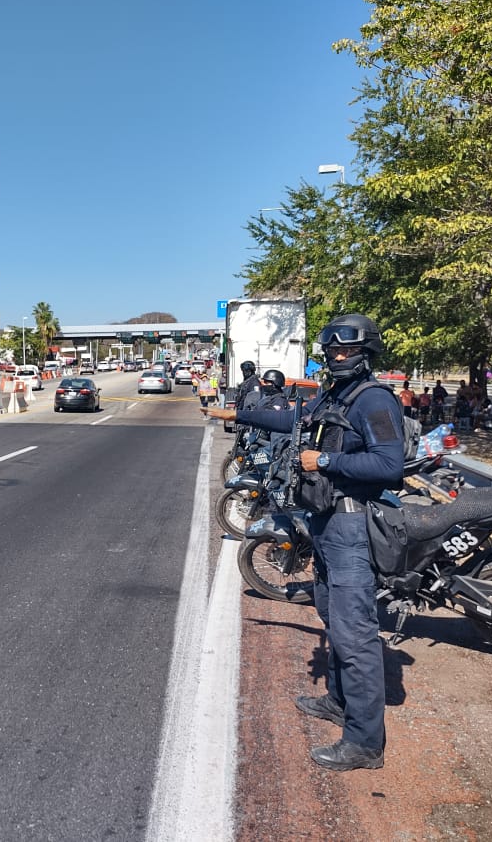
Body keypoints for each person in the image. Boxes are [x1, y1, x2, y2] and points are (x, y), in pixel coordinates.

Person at [202, 313, 404, 771]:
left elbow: (390, 465)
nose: (336, 356)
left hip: (352, 528)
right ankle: (338, 700)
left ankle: (364, 743)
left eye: (345, 350)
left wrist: (326, 460)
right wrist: (236, 412)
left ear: (365, 352)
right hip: (326, 525)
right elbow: (293, 417)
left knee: (355, 636)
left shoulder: (374, 401)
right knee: (332, 617)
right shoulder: (337, 394)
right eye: (331, 349)